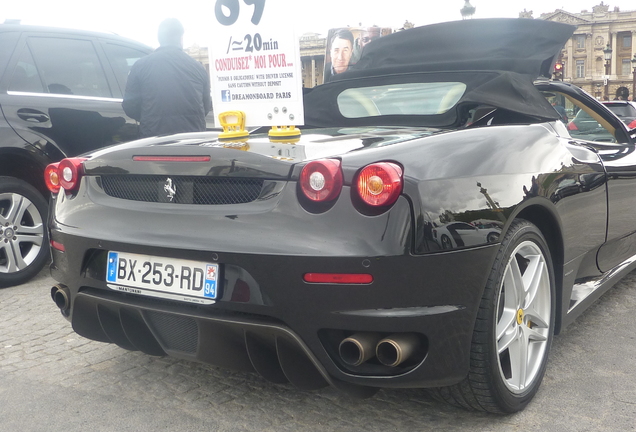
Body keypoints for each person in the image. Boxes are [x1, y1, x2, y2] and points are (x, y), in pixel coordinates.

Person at [122, 18, 212, 138]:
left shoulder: (140, 66)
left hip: (153, 140)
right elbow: (206, 106)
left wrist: (149, 117)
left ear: (159, 38)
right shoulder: (198, 67)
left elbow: (129, 106)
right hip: (192, 140)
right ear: (181, 38)